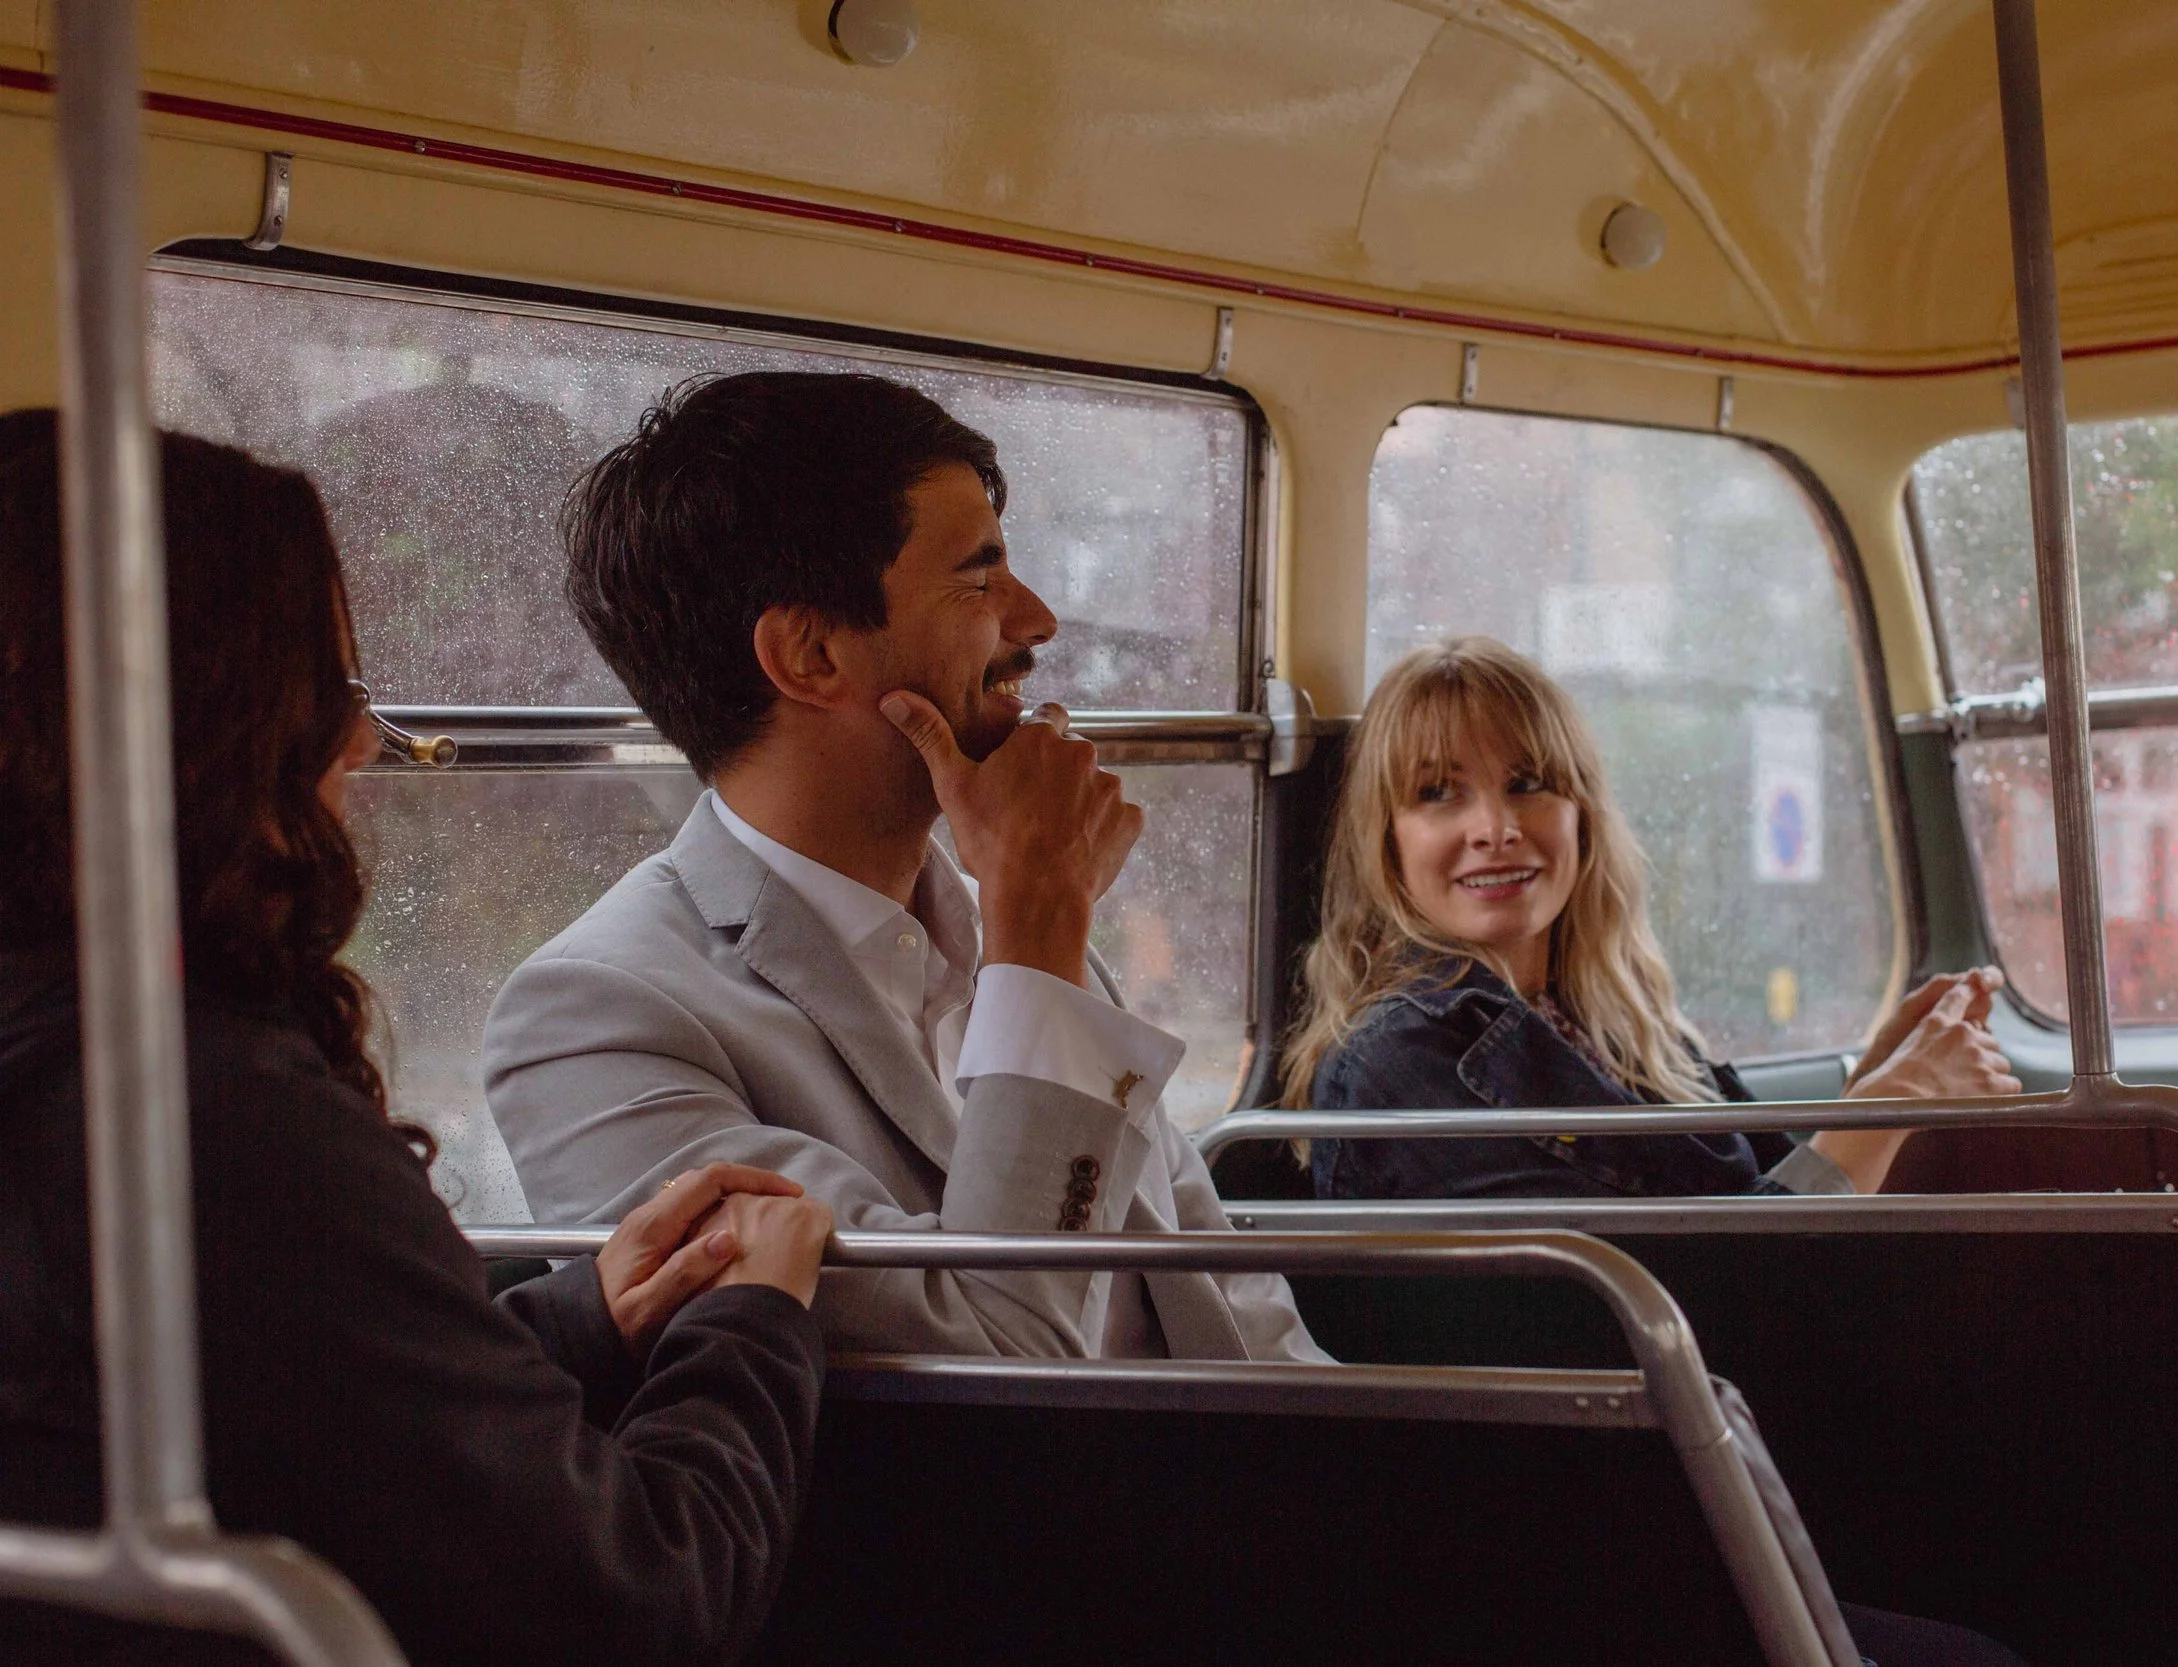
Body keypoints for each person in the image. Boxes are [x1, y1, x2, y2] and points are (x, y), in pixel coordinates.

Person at [0, 412, 837, 1667]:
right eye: (331, 688)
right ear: (216, 722)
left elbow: (255, 1401)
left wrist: (571, 1324)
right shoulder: (196, 1120)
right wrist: (754, 1325)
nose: (356, 740)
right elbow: (628, 1598)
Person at [483, 372, 1320, 1363]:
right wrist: (1039, 935)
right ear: (812, 655)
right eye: (978, 577)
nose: (1037, 619)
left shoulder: (1009, 931)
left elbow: (1225, 1302)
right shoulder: (600, 1020)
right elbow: (996, 1369)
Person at [1284, 637, 2023, 1201]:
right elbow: (1704, 1300)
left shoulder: (1611, 1021)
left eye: (1529, 783)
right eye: (1441, 793)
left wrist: (1876, 1084)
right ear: (1389, 839)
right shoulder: (1401, 1060)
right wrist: (1895, 1101)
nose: (1496, 827)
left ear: (1582, 816)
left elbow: (1750, 1205)